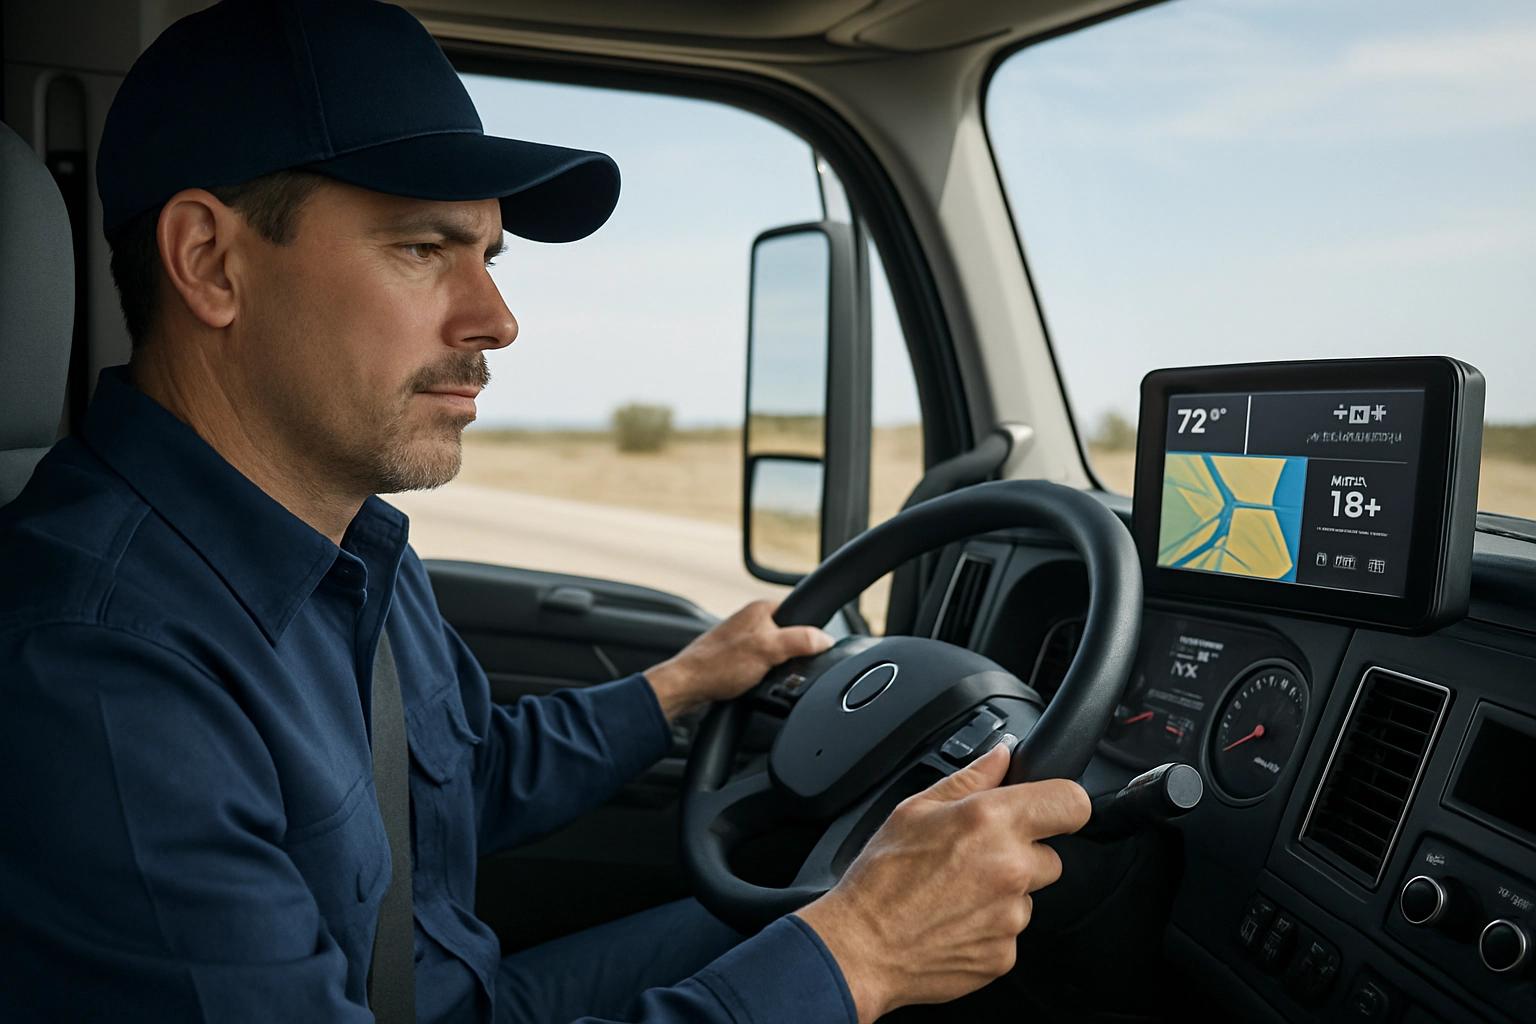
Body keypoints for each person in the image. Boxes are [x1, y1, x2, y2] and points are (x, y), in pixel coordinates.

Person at [0, 2, 1091, 1022]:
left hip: (466, 989)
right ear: (210, 262)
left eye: (490, 256)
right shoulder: (97, 670)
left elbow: (458, 776)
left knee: (797, 900)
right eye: (423, 248)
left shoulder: (348, 535)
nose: (499, 318)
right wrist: (858, 958)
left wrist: (682, 682)